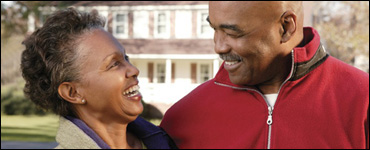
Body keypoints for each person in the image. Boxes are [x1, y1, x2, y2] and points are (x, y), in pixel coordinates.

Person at [160, 1, 369, 149]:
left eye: (233, 33)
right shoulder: (182, 118)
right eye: (214, 29)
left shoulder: (363, 101)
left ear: (286, 27)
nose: (218, 46)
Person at [21, 7, 177, 149]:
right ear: (73, 93)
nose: (134, 70)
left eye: (126, 58)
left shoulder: (170, 140)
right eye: (114, 64)